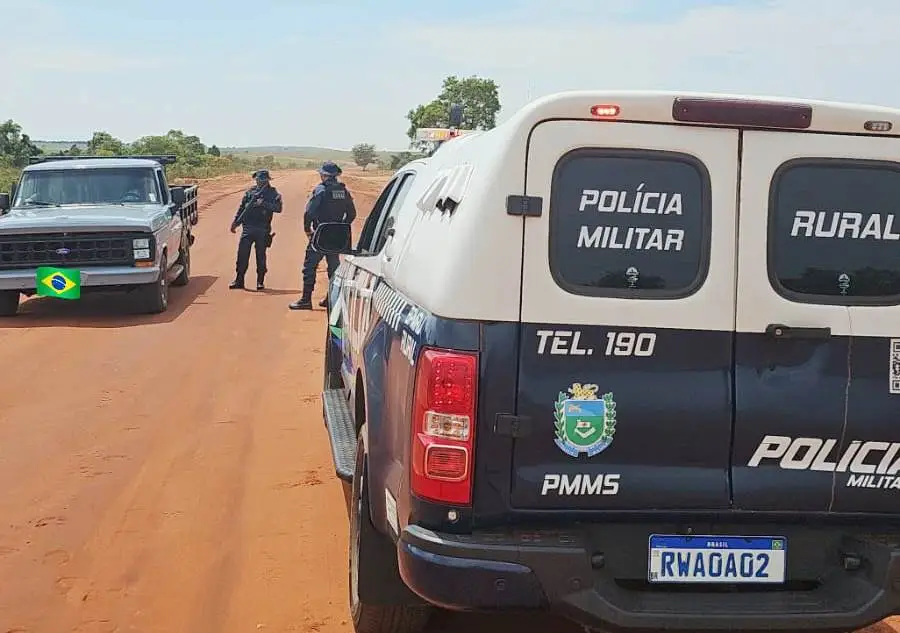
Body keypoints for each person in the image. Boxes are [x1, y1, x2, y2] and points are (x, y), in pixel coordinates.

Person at [289, 161, 356, 310]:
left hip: (320, 234)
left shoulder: (321, 190)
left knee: (310, 267)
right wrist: (339, 227)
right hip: (336, 237)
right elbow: (352, 214)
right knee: (333, 267)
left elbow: (309, 213)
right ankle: (331, 299)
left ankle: (306, 300)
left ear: (325, 175)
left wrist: (308, 230)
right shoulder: (343, 191)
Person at [229, 169, 282, 291]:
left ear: (267, 180)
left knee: (260, 256)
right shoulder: (250, 192)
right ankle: (239, 280)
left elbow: (278, 208)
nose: (259, 182)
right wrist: (235, 223)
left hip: (263, 229)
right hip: (247, 228)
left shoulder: (273, 193)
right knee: (242, 255)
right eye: (257, 179)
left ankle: (260, 281)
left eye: (261, 180)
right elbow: (242, 208)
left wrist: (264, 203)